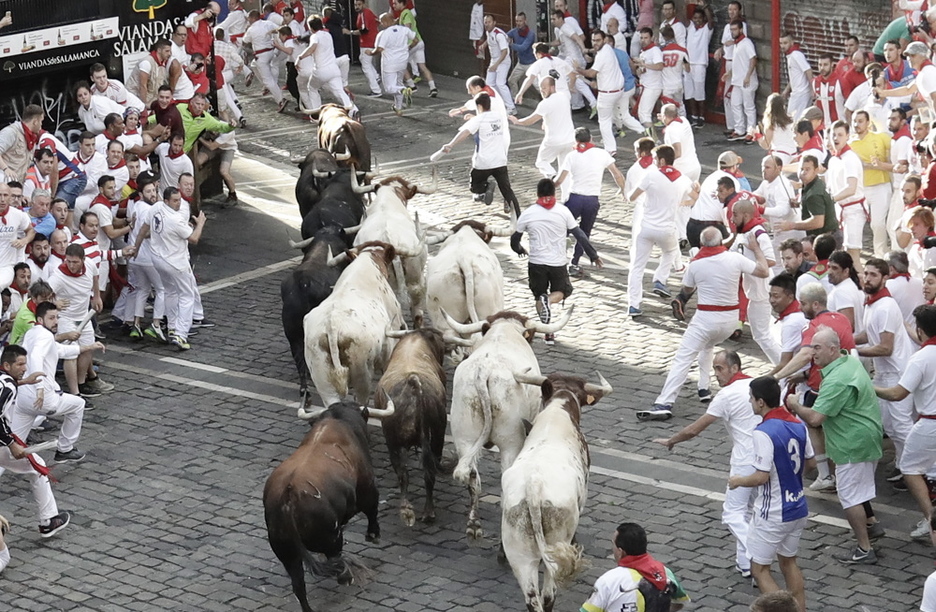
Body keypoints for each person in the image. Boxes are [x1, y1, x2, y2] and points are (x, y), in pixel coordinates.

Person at [642, 226, 769, 421]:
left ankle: (664, 402)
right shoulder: (735, 258)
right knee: (708, 345)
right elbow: (763, 271)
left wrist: (681, 299)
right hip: (730, 320)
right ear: (721, 242)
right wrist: (756, 249)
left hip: (706, 318)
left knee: (683, 358)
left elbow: (687, 288)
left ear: (702, 244)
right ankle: (704, 387)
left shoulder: (695, 265)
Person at [654, 350, 760, 579]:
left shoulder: (726, 396)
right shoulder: (758, 386)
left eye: (720, 368)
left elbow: (695, 429)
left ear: (734, 368)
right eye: (714, 369)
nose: (716, 374)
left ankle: (757, 553)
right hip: (766, 457)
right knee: (750, 511)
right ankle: (745, 564)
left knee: (732, 513)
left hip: (744, 461)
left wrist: (672, 440)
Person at [786, 327, 884, 564]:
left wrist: (795, 405)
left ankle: (864, 548)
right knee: (858, 491)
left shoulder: (837, 379)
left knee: (849, 497)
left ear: (832, 349)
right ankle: (870, 527)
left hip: (852, 444)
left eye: (817, 348)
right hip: (865, 438)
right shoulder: (849, 361)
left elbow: (816, 419)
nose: (812, 352)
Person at [729, 376, 812, 612]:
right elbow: (812, 463)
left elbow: (761, 477)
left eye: (752, 398)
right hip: (798, 507)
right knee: (789, 562)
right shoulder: (797, 424)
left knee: (759, 569)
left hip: (773, 512)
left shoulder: (763, 431)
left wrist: (737, 481)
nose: (750, 401)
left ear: (761, 402)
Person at [510, 178, 602, 345]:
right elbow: (579, 234)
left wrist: (519, 250)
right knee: (562, 291)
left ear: (537, 193)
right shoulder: (563, 211)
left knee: (539, 296)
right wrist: (593, 255)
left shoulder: (528, 213)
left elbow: (514, 240)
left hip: (536, 262)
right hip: (558, 263)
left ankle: (548, 331)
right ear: (554, 193)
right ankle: (550, 305)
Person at [875, 304, 936, 540]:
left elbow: (897, 394)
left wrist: (871, 388)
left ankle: (930, 518)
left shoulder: (920, 358)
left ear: (920, 330)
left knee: (909, 468)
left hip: (930, 423)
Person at [0, 344, 71, 545]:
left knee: (35, 465)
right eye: (20, 364)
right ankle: (48, 520)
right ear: (7, 364)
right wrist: (11, 443)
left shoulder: (6, 381)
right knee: (37, 467)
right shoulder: (7, 386)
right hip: (1, 443)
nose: (24, 368)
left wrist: (23, 382)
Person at [853, 258, 915, 480]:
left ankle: (922, 470)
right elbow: (867, 335)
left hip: (896, 374)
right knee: (889, 425)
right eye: (866, 274)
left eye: (873, 275)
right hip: (884, 374)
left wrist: (854, 351)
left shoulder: (886, 306)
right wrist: (846, 340)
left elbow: (885, 347)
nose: (867, 278)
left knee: (901, 426)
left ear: (885, 277)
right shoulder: (872, 303)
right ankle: (904, 464)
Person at [15, 301, 99, 464]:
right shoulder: (45, 336)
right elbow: (36, 356)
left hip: (23, 399)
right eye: (51, 318)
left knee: (11, 447)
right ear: (40, 320)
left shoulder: (32, 333)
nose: (56, 321)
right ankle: (65, 449)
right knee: (78, 404)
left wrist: (87, 347)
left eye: (57, 317)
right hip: (43, 399)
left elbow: (59, 350)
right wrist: (39, 387)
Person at [134, 187, 207, 350]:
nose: (178, 203)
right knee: (187, 295)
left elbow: (144, 229)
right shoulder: (176, 219)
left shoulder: (155, 208)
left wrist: (136, 247)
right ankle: (181, 334)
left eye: (179, 200)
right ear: (166, 201)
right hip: (176, 263)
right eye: (175, 200)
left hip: (158, 260)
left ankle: (173, 326)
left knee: (170, 292)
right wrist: (200, 224)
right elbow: (194, 238)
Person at [626, 144, 692, 316]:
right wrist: (679, 203)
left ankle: (634, 305)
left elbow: (631, 196)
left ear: (662, 160)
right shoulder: (683, 179)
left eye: (655, 159)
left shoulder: (651, 175)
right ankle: (660, 278)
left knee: (637, 267)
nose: (653, 162)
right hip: (667, 229)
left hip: (646, 227)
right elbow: (694, 197)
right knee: (671, 252)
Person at [553, 127, 625, 276]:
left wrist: (548, 188)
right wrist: (623, 189)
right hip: (592, 200)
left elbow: (559, 180)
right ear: (591, 138)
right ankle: (574, 263)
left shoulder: (572, 156)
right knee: (584, 233)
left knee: (563, 230)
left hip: (574, 199)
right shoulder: (602, 154)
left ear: (576, 141)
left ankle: (557, 260)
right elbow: (617, 174)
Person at [580, 522, 690, 612]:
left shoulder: (608, 581)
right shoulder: (665, 573)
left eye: (613, 543)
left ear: (620, 552)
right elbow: (680, 602)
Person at [440, 93, 520, 216]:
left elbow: (465, 133)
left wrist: (451, 145)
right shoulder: (498, 117)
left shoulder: (478, 119)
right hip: (500, 161)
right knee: (507, 190)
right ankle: (519, 215)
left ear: (479, 106)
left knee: (474, 187)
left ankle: (487, 187)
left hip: (483, 163)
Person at [730, 200, 781, 364]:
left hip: (762, 290)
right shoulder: (742, 233)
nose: (732, 219)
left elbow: (771, 260)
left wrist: (755, 251)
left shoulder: (758, 234)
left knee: (761, 334)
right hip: (753, 291)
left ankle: (784, 367)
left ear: (745, 215)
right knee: (761, 331)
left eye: (735, 215)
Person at [509, 77, 575, 192]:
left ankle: (552, 176)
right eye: (540, 88)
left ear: (552, 87)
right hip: (569, 140)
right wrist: (545, 121)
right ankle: (566, 199)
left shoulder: (545, 103)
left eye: (544, 88)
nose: (542, 91)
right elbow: (556, 112)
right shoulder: (564, 97)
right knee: (565, 171)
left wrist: (517, 121)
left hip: (553, 141)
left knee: (541, 162)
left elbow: (531, 120)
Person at [576, 29, 627, 155]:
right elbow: (595, 49)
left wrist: (578, 69)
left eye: (598, 40)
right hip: (618, 91)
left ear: (604, 40)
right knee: (615, 115)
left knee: (604, 121)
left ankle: (610, 148)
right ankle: (619, 127)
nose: (595, 43)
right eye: (593, 40)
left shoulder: (603, 54)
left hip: (607, 93)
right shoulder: (608, 49)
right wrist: (588, 51)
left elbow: (591, 73)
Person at [297, 17, 357, 113]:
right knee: (339, 91)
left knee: (312, 88)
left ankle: (317, 112)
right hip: (334, 69)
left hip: (321, 70)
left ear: (311, 28)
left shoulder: (315, 36)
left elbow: (312, 47)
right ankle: (353, 110)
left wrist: (300, 57)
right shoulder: (328, 35)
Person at [369, 12, 416, 115]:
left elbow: (380, 48)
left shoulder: (383, 34)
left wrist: (371, 53)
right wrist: (407, 47)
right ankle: (398, 108)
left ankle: (404, 90)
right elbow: (415, 40)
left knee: (390, 88)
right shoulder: (404, 30)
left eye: (381, 22)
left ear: (386, 22)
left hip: (389, 64)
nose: (381, 24)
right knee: (398, 83)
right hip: (402, 62)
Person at [875, 41, 936, 116]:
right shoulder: (923, 72)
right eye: (908, 56)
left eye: (913, 55)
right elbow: (908, 89)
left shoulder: (927, 72)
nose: (909, 59)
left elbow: (935, 98)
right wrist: (884, 93)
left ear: (923, 56)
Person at [243, 10, 288, 113]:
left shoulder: (251, 29)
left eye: (249, 18)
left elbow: (245, 41)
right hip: (271, 52)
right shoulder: (268, 23)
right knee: (253, 65)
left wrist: (247, 31)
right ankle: (266, 86)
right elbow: (279, 29)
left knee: (269, 80)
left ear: (253, 18)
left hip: (261, 55)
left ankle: (281, 100)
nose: (248, 20)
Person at [392, 0, 437, 98]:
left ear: (402, 3)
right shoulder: (404, 14)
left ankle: (412, 86)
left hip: (413, 43)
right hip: (419, 42)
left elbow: (407, 29)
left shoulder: (405, 13)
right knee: (422, 66)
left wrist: (405, 44)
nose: (393, 5)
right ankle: (433, 88)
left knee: (400, 63)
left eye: (395, 3)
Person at [725, 19, 757, 142]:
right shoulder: (737, 44)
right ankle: (739, 130)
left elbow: (753, 59)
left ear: (741, 29)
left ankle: (751, 131)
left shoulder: (746, 42)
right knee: (735, 104)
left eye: (735, 29)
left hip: (746, 81)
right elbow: (738, 62)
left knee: (748, 106)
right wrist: (729, 73)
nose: (733, 32)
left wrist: (748, 75)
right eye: (731, 29)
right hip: (737, 80)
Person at [0, 183, 35, 288]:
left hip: (6, 266)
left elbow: (31, 231)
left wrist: (24, 240)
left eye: (5, 195)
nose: (2, 199)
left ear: (10, 197)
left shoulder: (18, 215)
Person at [0, 104, 44, 184]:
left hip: (17, 185)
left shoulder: (31, 138)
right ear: (35, 121)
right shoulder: (11, 133)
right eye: (41, 121)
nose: (41, 125)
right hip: (4, 183)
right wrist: (5, 169)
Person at [481, 14, 516, 115]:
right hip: (494, 60)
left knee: (500, 83)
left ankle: (511, 107)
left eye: (489, 22)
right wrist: (484, 44)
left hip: (503, 61)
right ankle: (500, 103)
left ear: (494, 23)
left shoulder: (499, 35)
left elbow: (505, 52)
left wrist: (496, 65)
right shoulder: (489, 32)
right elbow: (489, 39)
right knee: (490, 84)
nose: (487, 24)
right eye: (485, 22)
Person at [346, 0, 382, 97]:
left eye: (359, 4)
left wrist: (351, 32)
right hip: (370, 41)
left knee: (366, 66)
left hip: (367, 42)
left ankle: (376, 90)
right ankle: (376, 77)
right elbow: (377, 21)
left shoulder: (364, 14)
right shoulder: (367, 12)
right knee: (364, 61)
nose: (357, 7)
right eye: (355, 5)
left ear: (364, 4)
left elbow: (364, 30)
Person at [685, 8, 712, 128]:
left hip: (700, 63)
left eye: (699, 18)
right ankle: (694, 115)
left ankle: (701, 116)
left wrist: (705, 6)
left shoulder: (706, 29)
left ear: (703, 19)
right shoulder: (690, 27)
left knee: (699, 91)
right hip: (688, 63)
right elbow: (683, 18)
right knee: (689, 91)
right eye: (695, 18)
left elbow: (711, 21)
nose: (697, 20)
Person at [827, 250, 865, 333]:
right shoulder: (853, 286)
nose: (829, 272)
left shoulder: (841, 292)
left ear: (846, 271)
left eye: (835, 268)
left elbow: (848, 326)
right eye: (828, 267)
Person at [634, 28, 664, 135]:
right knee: (643, 113)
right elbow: (642, 71)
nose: (643, 40)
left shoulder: (655, 50)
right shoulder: (644, 52)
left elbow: (660, 66)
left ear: (651, 38)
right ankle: (652, 139)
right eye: (641, 38)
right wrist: (639, 69)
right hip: (646, 85)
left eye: (646, 38)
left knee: (644, 114)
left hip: (653, 86)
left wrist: (644, 65)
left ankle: (653, 140)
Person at [886, 250, 926, 326]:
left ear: (891, 269)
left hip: (900, 333)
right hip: (919, 332)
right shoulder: (921, 283)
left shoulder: (888, 285)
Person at [779, 33, 813, 120]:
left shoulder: (796, 55)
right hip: (797, 92)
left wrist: (813, 88)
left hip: (801, 93)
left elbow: (807, 70)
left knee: (792, 119)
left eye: (785, 43)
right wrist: (787, 90)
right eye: (781, 43)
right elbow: (795, 76)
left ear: (792, 42)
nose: (782, 46)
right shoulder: (791, 55)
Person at [812, 53, 844, 128]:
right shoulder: (815, 82)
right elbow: (816, 102)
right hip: (822, 128)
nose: (822, 68)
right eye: (820, 65)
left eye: (825, 65)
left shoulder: (841, 82)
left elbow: (850, 105)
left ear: (832, 64)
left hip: (839, 126)